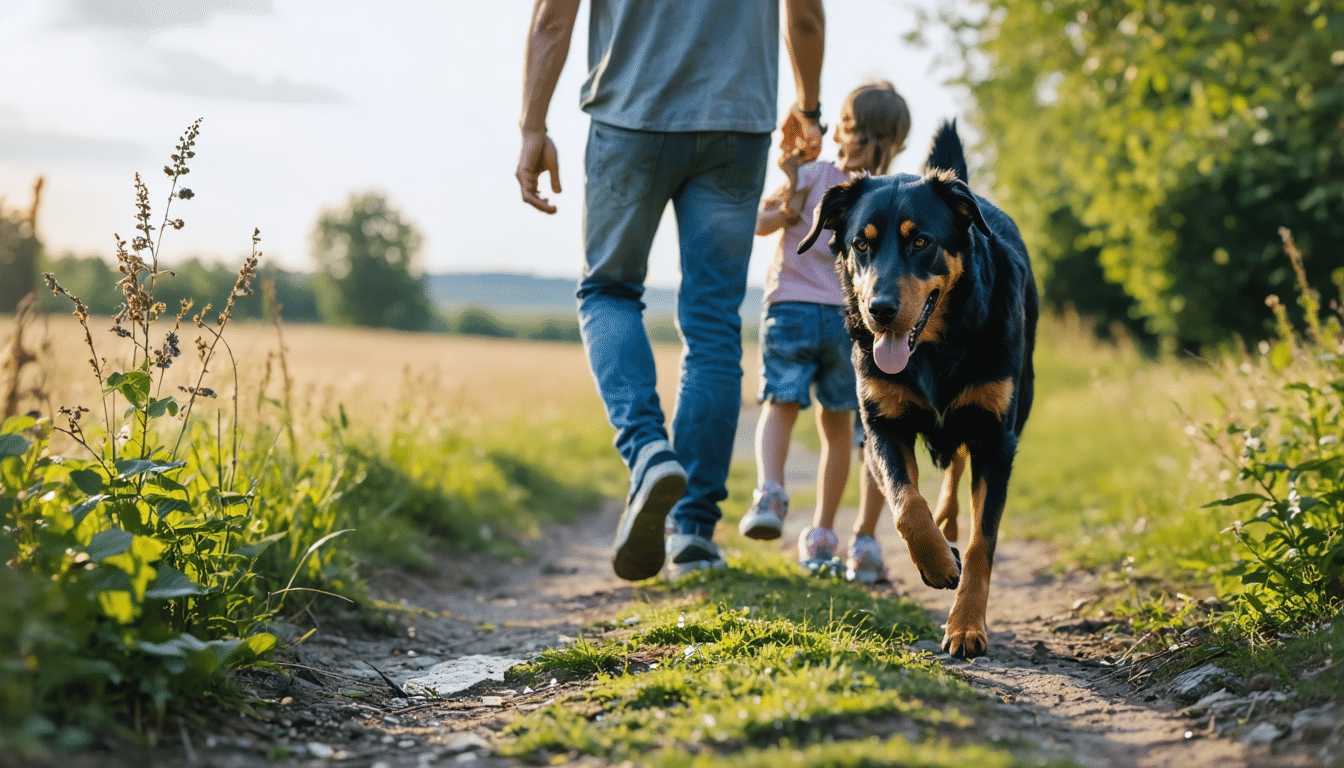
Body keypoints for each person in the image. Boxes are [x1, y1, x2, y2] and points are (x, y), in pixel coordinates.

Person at [516, 0, 826, 581]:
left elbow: (551, 17)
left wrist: (533, 125)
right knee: (713, 321)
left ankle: (648, 453)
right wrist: (809, 109)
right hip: (737, 125)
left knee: (608, 291)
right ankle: (693, 534)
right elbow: (804, 14)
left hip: (628, 116)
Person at [738, 81, 911, 584]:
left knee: (779, 405)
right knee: (844, 433)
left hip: (791, 307)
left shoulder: (814, 175)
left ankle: (770, 491)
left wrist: (790, 190)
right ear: (896, 140)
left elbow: (760, 224)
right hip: (851, 321)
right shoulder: (894, 194)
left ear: (845, 127)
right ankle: (824, 535)